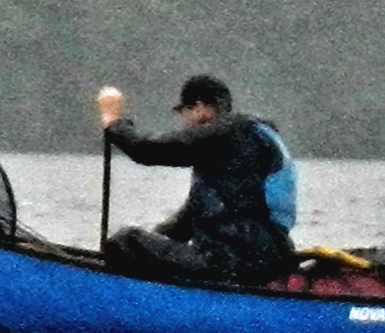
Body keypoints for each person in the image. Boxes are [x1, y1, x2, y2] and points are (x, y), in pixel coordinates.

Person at [97, 74, 294, 283]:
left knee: (126, 242)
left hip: (230, 263)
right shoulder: (248, 140)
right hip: (269, 262)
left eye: (185, 112)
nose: (185, 122)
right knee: (139, 247)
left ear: (200, 107)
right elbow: (185, 223)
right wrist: (157, 240)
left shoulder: (226, 133)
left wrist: (114, 123)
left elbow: (148, 151)